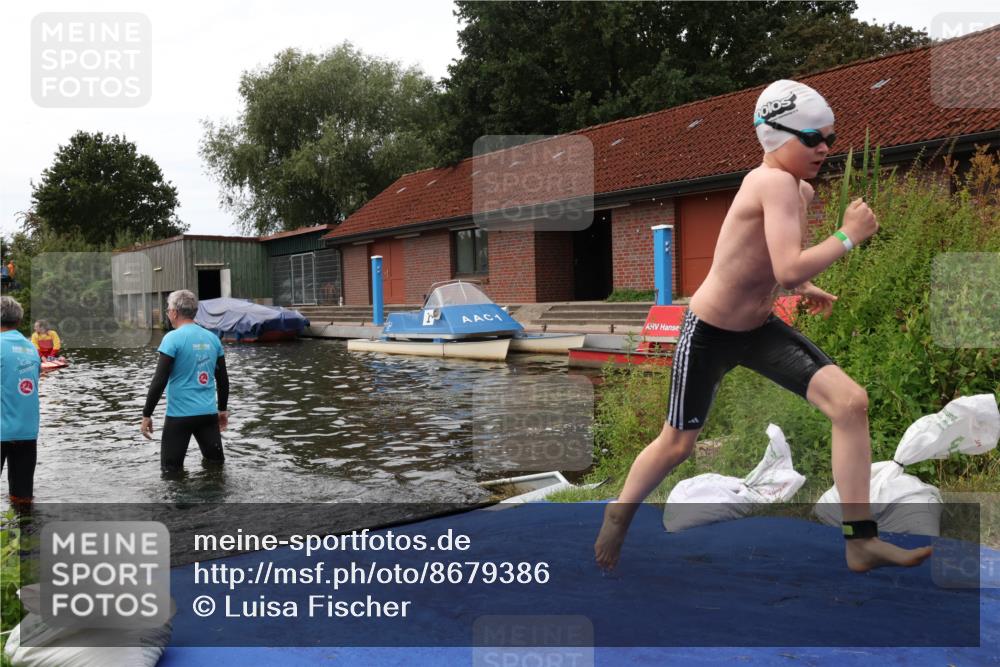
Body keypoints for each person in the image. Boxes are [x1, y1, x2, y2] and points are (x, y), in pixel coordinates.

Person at [594, 80, 933, 573]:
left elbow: (770, 264)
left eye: (830, 140)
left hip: (757, 328)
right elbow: (789, 267)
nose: (824, 149)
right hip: (708, 331)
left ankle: (860, 540)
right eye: (813, 138)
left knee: (850, 403)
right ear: (776, 136)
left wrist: (802, 289)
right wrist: (849, 235)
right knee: (678, 444)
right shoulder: (769, 181)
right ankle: (617, 516)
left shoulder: (801, 188)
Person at [141, 290, 230, 474]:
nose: (168, 314)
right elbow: (223, 380)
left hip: (179, 417)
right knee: (216, 468)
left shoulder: (172, 338)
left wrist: (147, 414)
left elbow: (159, 380)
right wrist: (222, 410)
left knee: (171, 472)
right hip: (207, 415)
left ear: (174, 312)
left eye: (167, 310)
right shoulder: (213, 339)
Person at [1, 296, 41, 511]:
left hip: (2, 429)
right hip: (27, 431)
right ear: (18, 320)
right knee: (23, 499)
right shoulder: (31, 348)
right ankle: (26, 540)